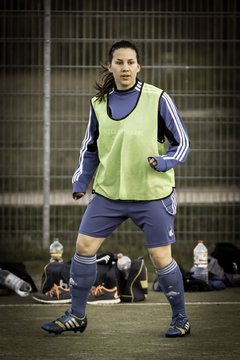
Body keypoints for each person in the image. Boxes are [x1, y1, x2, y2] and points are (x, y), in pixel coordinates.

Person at [41, 40, 191, 337]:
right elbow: (90, 148)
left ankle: (180, 319)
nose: (125, 68)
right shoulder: (98, 104)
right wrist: (80, 181)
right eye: (119, 62)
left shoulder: (158, 98)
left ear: (139, 66)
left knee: (161, 258)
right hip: (109, 194)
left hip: (152, 195)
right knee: (84, 248)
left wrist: (162, 162)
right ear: (111, 66)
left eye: (130, 62)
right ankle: (77, 315)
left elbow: (182, 143)